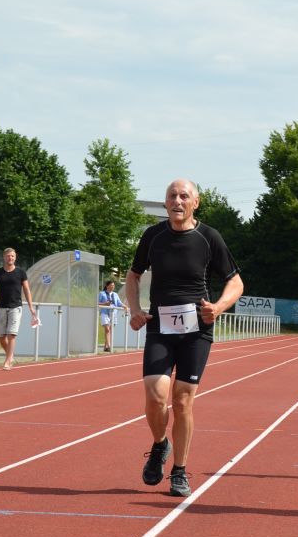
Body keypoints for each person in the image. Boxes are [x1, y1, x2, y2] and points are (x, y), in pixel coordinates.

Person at [124, 179, 244, 497]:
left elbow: (236, 282)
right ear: (165, 203)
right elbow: (133, 275)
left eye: (183, 196)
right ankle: (160, 444)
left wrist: (218, 307)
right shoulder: (153, 236)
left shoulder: (209, 237)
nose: (177, 201)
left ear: (195, 202)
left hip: (196, 330)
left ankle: (179, 471)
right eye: (172, 196)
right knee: (155, 395)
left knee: (182, 400)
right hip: (160, 326)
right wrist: (134, 309)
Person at [0, 247, 38, 370]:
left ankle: (8, 361)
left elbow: (27, 290)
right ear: (4, 257)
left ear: (15, 257)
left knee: (11, 334)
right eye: (8, 256)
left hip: (16, 307)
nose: (10, 258)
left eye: (12, 256)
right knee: (1, 337)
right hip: (2, 307)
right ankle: (10, 355)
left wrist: (31, 306)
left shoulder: (21, 273)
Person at [98, 279, 126, 352]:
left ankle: (106, 346)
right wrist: (105, 304)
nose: (112, 287)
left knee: (110, 330)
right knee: (107, 329)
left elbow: (119, 303)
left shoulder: (115, 294)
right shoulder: (102, 293)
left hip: (113, 313)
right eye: (111, 285)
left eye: (113, 285)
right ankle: (109, 346)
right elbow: (97, 303)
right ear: (107, 286)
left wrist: (124, 306)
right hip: (105, 313)